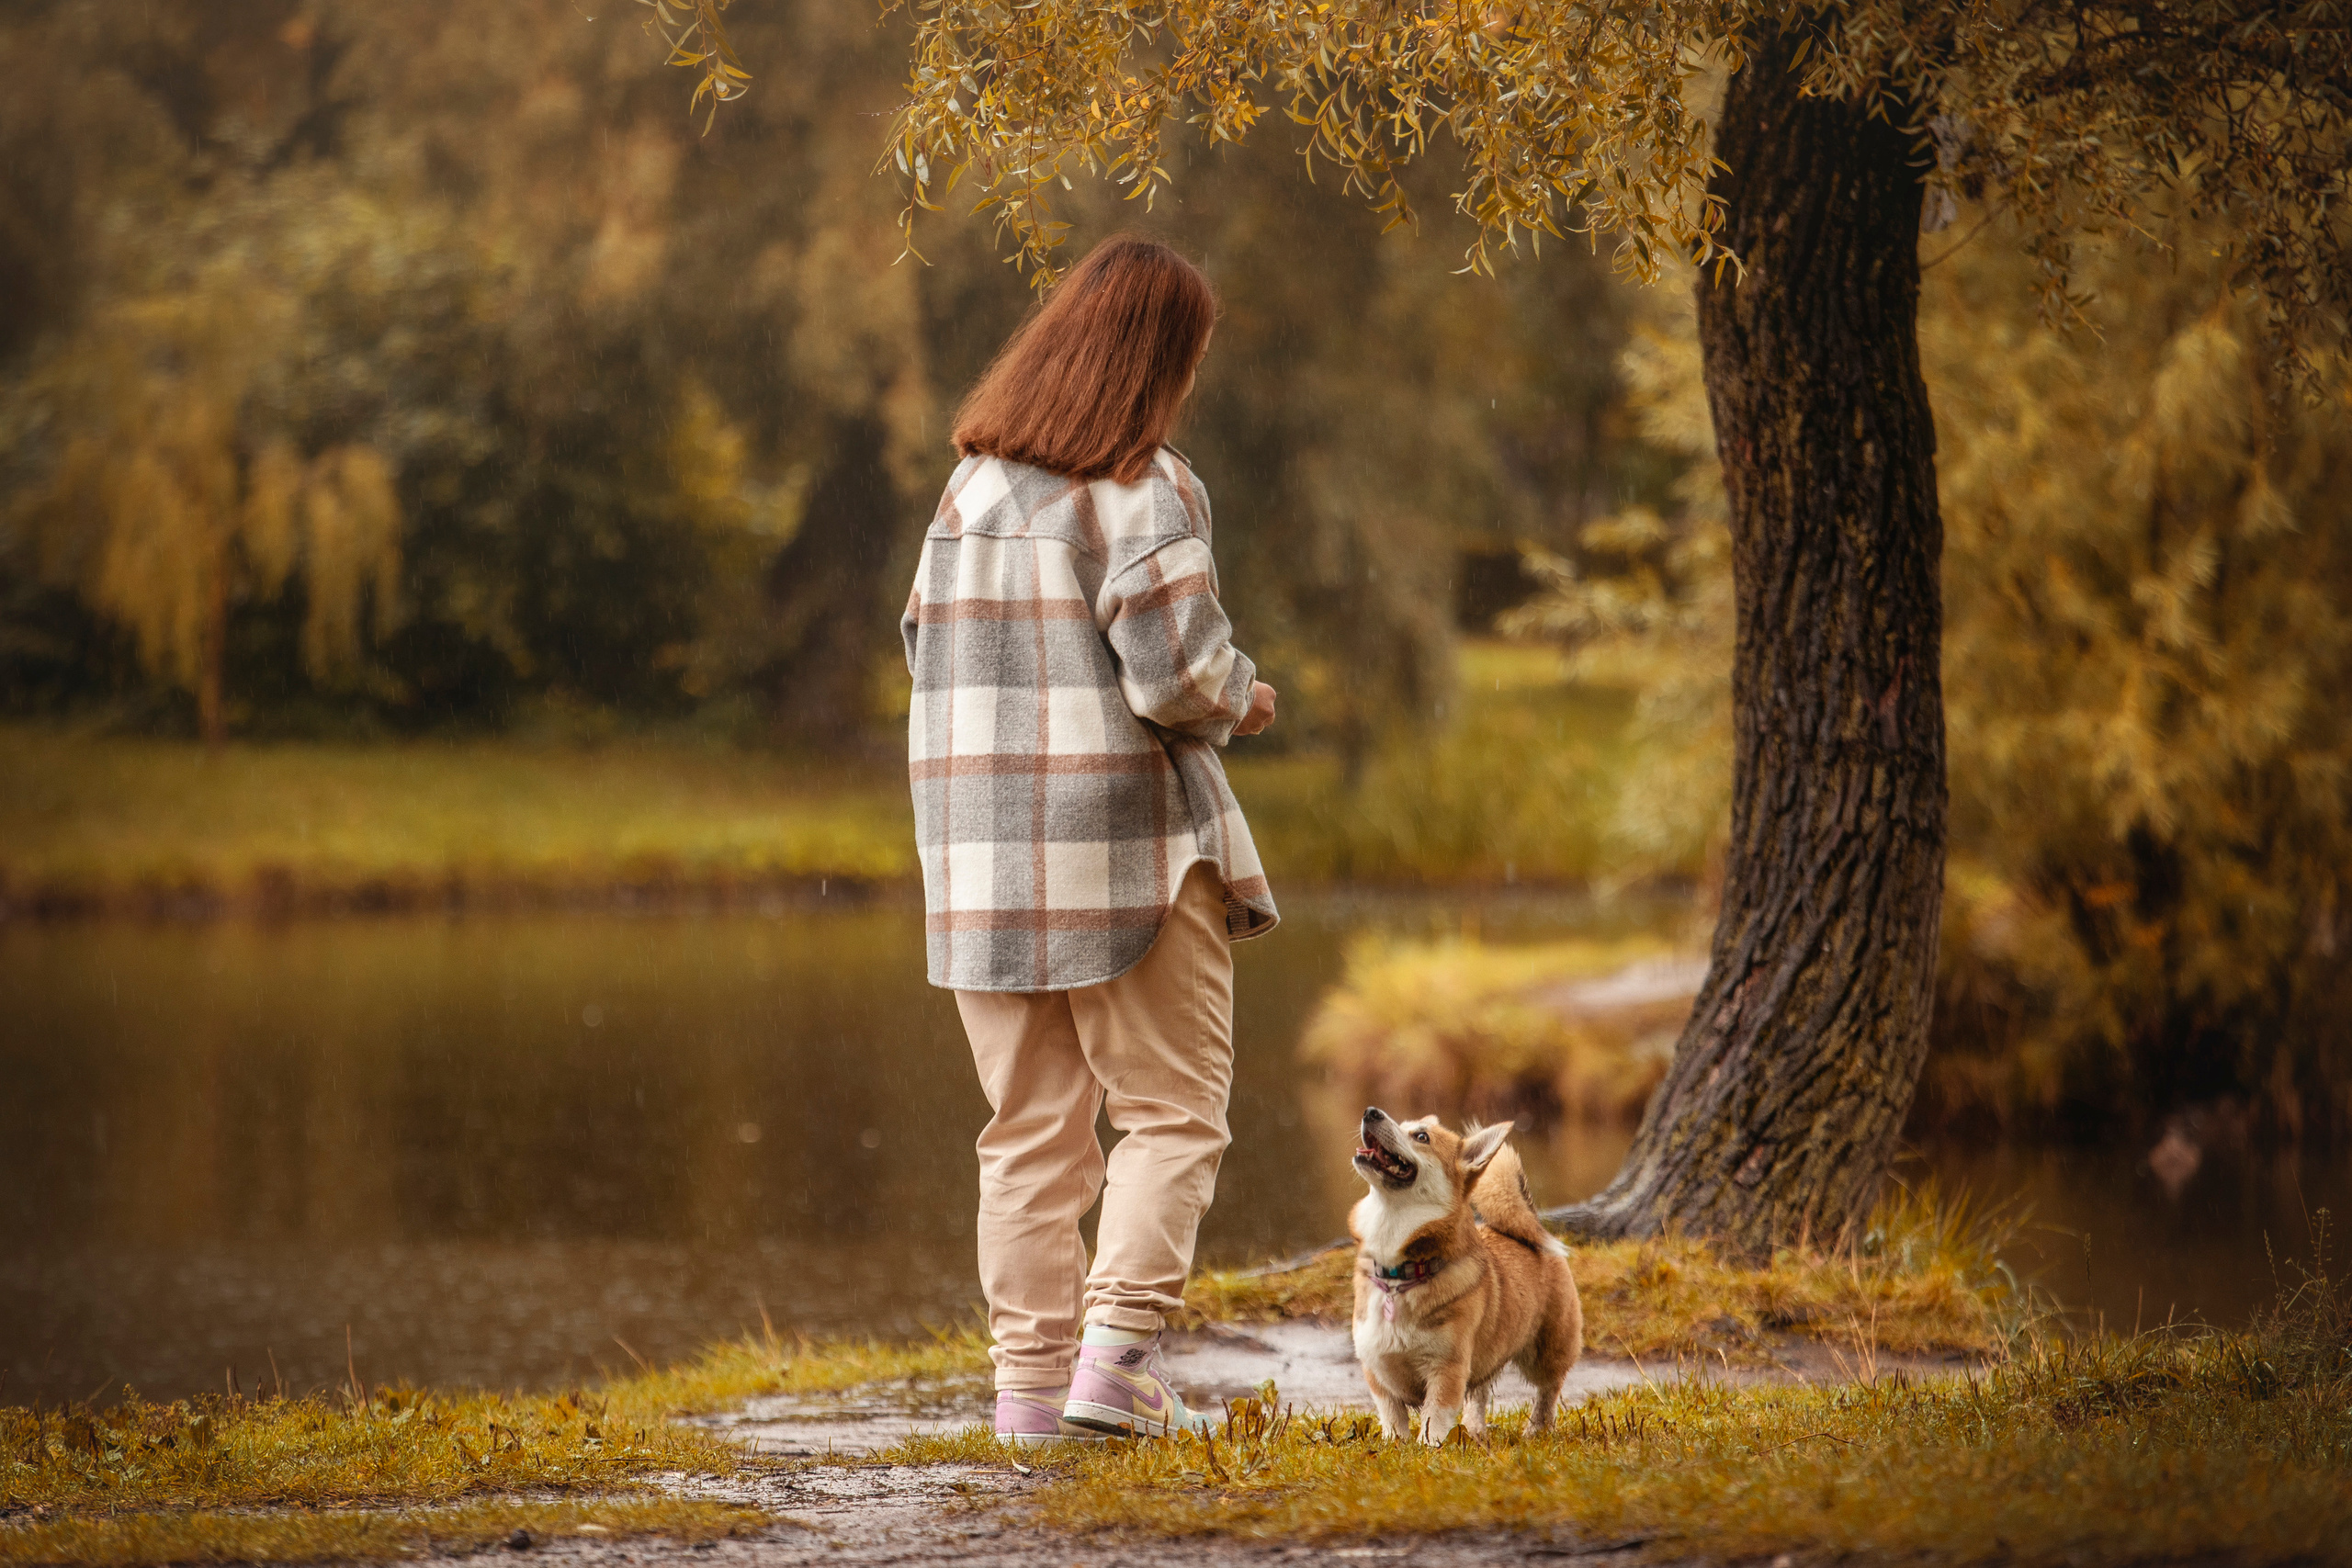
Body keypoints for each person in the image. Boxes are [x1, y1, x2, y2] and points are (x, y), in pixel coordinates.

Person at [899, 234, 1280, 1444]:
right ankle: (1116, 1366)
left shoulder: (970, 491)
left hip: (980, 864)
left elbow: (926, 651)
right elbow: (1178, 680)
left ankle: (1027, 1395)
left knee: (1027, 1132)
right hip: (1123, 852)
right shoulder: (1144, 483)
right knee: (1172, 1117)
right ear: (1155, 358)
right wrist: (1245, 699)